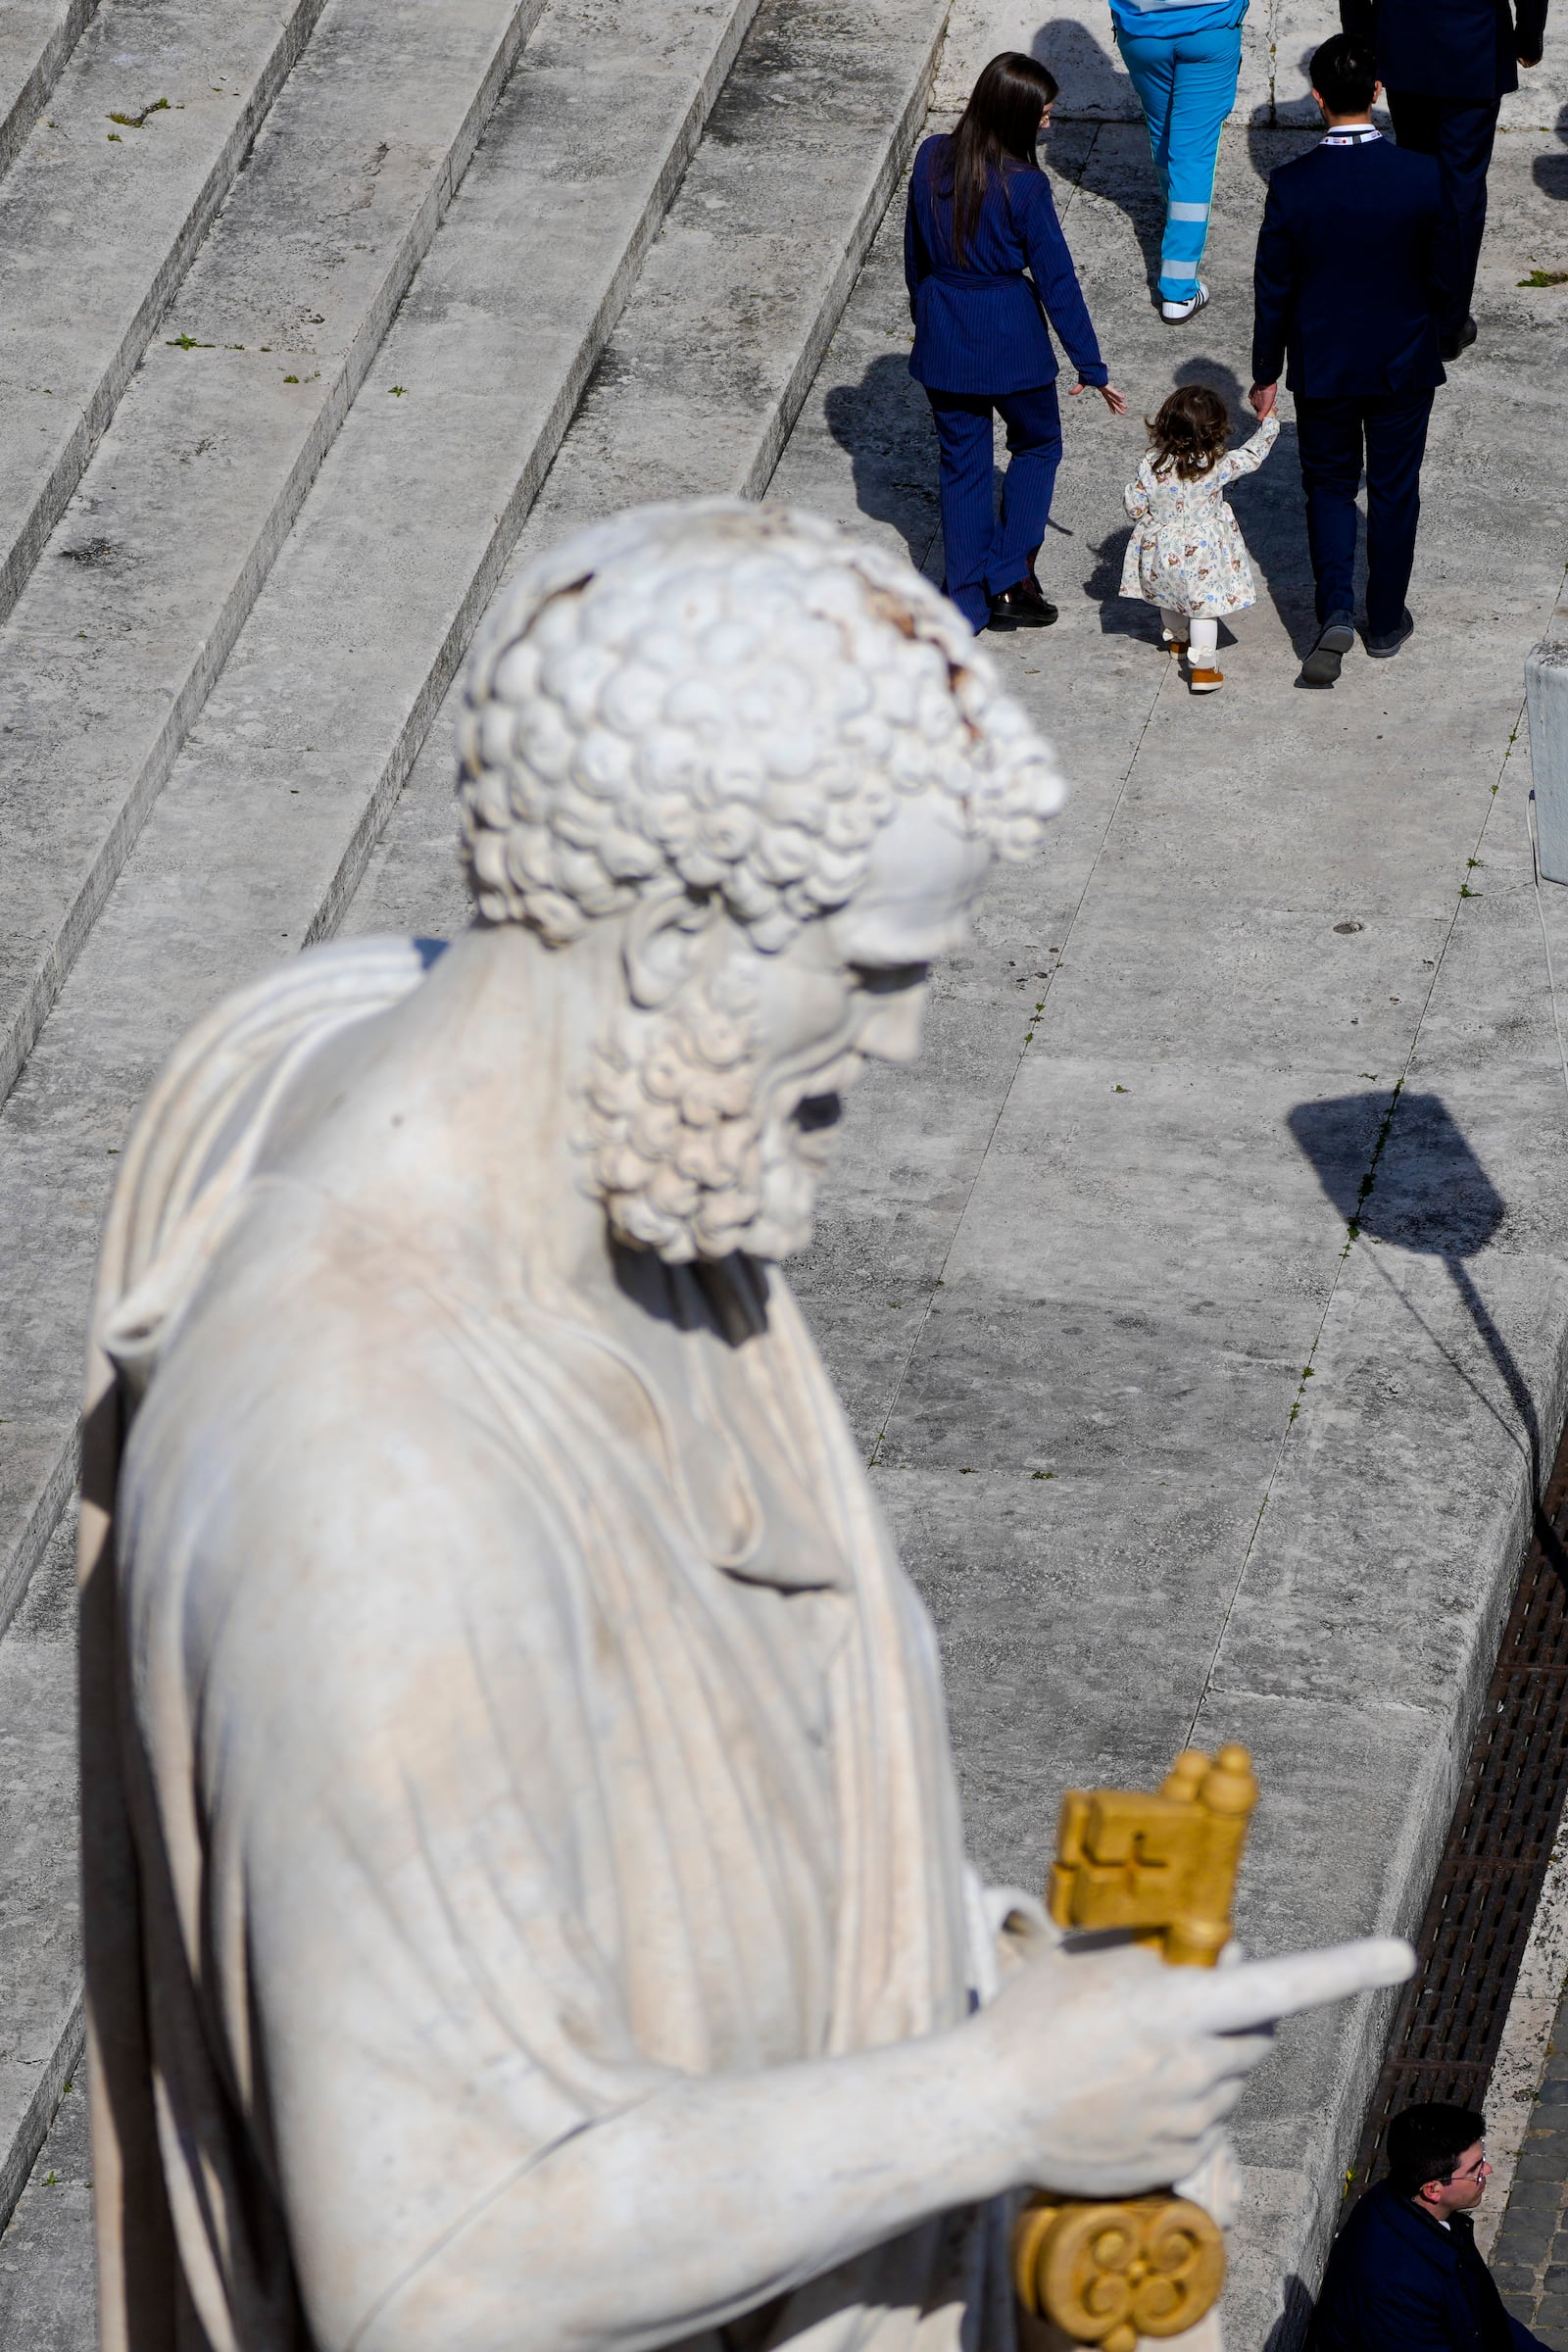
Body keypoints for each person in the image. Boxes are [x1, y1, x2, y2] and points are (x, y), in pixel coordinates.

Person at [78, 500, 1413, 2352]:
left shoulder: (604, 1148)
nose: (901, 1049)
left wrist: (1013, 1998)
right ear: (658, 924)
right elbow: (437, 2267)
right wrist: (999, 2105)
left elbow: (775, 1761)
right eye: (869, 971)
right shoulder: (374, 1471)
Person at [906, 53, 1126, 634]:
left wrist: (925, 318)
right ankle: (1007, 577)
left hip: (944, 338)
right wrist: (1090, 364)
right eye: (1045, 115)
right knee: (1037, 446)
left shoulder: (931, 156)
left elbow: (915, 257)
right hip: (1012, 344)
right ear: (1017, 116)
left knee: (963, 468)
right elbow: (1057, 280)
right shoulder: (1026, 186)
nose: (1050, 125)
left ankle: (966, 605)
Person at [1250, 32, 1445, 687]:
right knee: (1393, 491)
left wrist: (1264, 373)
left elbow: (1273, 286)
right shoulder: (1421, 175)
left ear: (1317, 98)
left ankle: (1334, 605)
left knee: (1330, 487)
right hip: (1403, 362)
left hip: (1324, 364)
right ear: (1379, 94)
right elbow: (1442, 273)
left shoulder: (1293, 186)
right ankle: (1385, 621)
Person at [1341, 0, 1550, 358]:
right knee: (1461, 186)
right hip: (1475, 43)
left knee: (1416, 177)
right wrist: (1528, 37)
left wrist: (1362, 39)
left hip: (1406, 40)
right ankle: (1446, 323)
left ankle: (1412, 311)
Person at [1308, 2101, 1553, 2350]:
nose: (1487, 2171)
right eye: (1475, 2170)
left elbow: (1488, 2317)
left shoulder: (1398, 2200)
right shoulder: (1397, 2287)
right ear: (1433, 2190)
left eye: (1483, 2158)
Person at [1119, 383, 1280, 694]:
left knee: (1169, 594)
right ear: (1216, 429)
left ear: (1164, 423)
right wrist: (1269, 423)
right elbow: (1251, 456)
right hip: (1202, 552)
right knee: (1203, 609)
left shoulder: (1152, 464)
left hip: (1162, 547)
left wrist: (1142, 506)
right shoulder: (1215, 465)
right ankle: (1204, 669)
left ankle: (1178, 640)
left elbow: (1136, 507)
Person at [1110, 0, 1250, 322]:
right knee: (1193, 155)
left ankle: (1176, 219)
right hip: (1211, 26)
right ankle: (1179, 290)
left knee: (1164, 137)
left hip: (1141, 30)